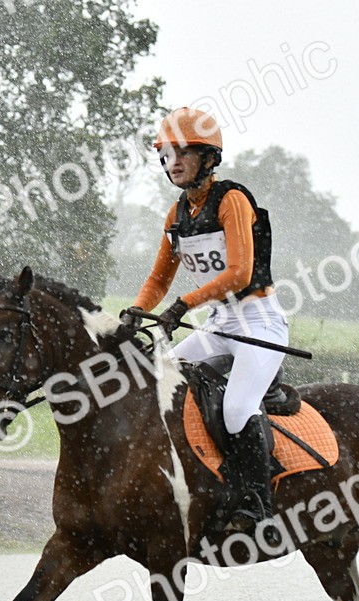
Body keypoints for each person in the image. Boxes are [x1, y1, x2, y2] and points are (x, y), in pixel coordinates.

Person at [123, 107, 289, 531]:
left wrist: (183, 305)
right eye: (166, 154)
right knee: (164, 383)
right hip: (217, 325)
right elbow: (159, 278)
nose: (172, 162)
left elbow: (240, 274)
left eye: (183, 153)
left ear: (209, 159)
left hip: (258, 322)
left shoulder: (231, 200)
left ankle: (258, 504)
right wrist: (137, 312)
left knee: (235, 409)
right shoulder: (176, 215)